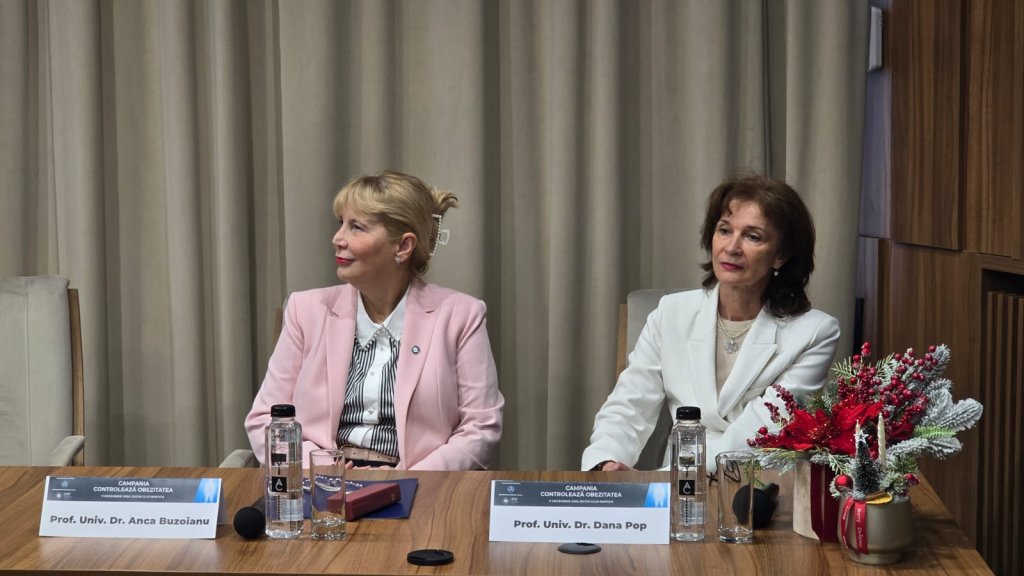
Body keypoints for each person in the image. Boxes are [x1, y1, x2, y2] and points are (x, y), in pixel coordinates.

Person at [246, 170, 504, 470]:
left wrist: (408, 480)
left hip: (419, 486)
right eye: (340, 223)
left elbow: (480, 428)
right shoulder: (305, 310)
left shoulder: (461, 315)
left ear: (403, 246)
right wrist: (320, 469)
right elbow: (265, 419)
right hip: (321, 486)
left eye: (356, 227)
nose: (337, 239)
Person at [581, 174, 840, 472]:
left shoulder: (814, 333)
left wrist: (658, 480)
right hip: (677, 488)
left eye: (753, 237)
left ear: (780, 255)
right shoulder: (670, 313)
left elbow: (757, 435)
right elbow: (630, 405)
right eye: (724, 230)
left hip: (757, 484)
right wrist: (606, 463)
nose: (732, 247)